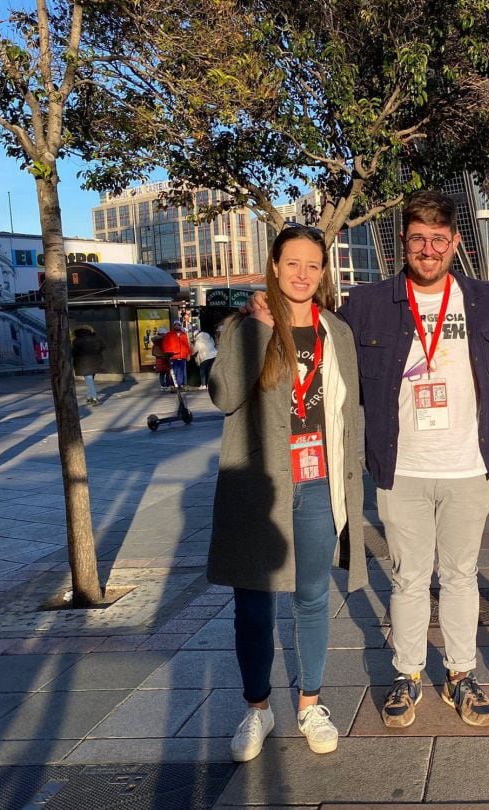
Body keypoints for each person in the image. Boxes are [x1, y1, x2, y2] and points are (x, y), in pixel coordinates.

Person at [339, 191, 489, 728]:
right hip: (403, 469)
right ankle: (407, 674)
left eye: (439, 239)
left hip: (467, 466)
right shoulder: (370, 303)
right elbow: (320, 341)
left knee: (461, 576)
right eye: (418, 239)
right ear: (403, 245)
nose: (428, 249)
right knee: (409, 578)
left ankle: (461, 673)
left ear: (456, 243)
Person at [208, 225, 367, 762]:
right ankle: (257, 708)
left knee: (313, 598)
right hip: (263, 486)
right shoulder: (246, 325)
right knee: (253, 605)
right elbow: (224, 395)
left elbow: (349, 411)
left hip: (320, 482)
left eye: (312, 265)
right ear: (274, 266)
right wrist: (256, 326)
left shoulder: (334, 331)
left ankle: (310, 702)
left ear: (323, 272)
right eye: (292, 263)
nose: (302, 274)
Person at [71, 324, 105, 405]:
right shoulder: (96, 338)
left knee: (89, 380)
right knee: (90, 380)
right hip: (95, 361)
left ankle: (94, 398)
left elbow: (73, 352)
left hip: (83, 363)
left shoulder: (77, 340)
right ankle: (89, 397)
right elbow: (103, 346)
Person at [162, 321, 192, 388]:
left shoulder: (183, 334)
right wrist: (167, 353)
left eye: (178, 325)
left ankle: (179, 384)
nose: (177, 326)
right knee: (173, 371)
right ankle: (173, 385)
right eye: (176, 325)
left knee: (181, 371)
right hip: (173, 356)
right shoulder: (169, 334)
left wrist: (188, 354)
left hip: (182, 356)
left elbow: (187, 345)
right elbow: (165, 345)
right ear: (173, 326)